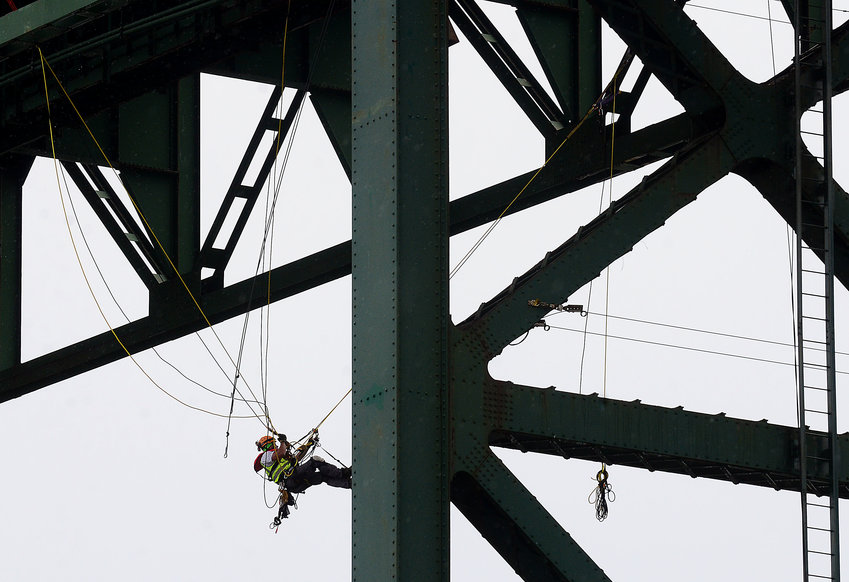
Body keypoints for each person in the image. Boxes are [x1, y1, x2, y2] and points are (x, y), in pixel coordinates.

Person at [254, 431, 351, 496]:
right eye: (274, 443)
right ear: (269, 444)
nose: (276, 445)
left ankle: (349, 483)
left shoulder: (278, 459)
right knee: (315, 460)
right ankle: (343, 473)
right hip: (290, 478)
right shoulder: (265, 457)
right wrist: (283, 441)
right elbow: (281, 453)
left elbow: (297, 459)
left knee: (322, 477)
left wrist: (309, 444)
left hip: (294, 481)